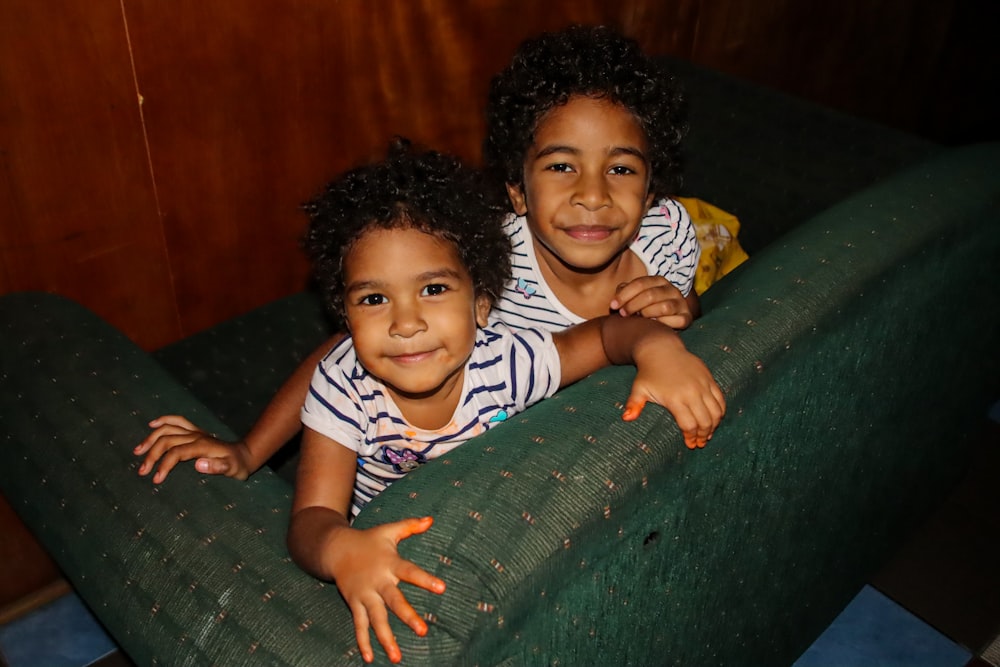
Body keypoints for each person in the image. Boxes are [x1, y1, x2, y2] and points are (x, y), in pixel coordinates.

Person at [134, 24, 707, 483]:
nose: (592, 194)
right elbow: (350, 351)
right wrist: (249, 451)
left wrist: (679, 314)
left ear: (651, 188)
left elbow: (692, 307)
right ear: (516, 190)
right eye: (561, 166)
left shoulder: (666, 233)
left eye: (622, 168)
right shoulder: (492, 264)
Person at [284, 141, 724, 663]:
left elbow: (605, 336)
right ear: (345, 314)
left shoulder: (507, 360)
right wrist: (341, 550)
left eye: (433, 289)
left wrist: (657, 347)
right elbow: (311, 516)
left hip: (486, 522)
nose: (406, 323)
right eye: (374, 299)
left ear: (482, 303)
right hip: (378, 544)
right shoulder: (343, 388)